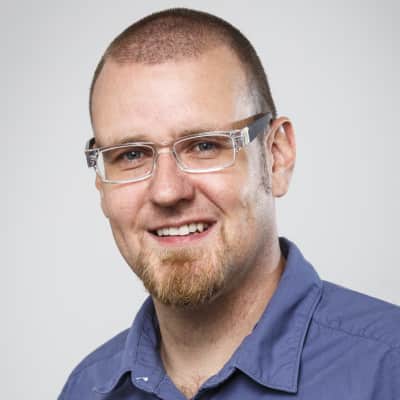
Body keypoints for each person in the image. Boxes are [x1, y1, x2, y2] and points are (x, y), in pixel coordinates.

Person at [59, 8, 400, 400]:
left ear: (276, 156)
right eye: (131, 154)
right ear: (101, 181)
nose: (167, 192)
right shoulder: (85, 389)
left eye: (205, 146)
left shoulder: (388, 369)